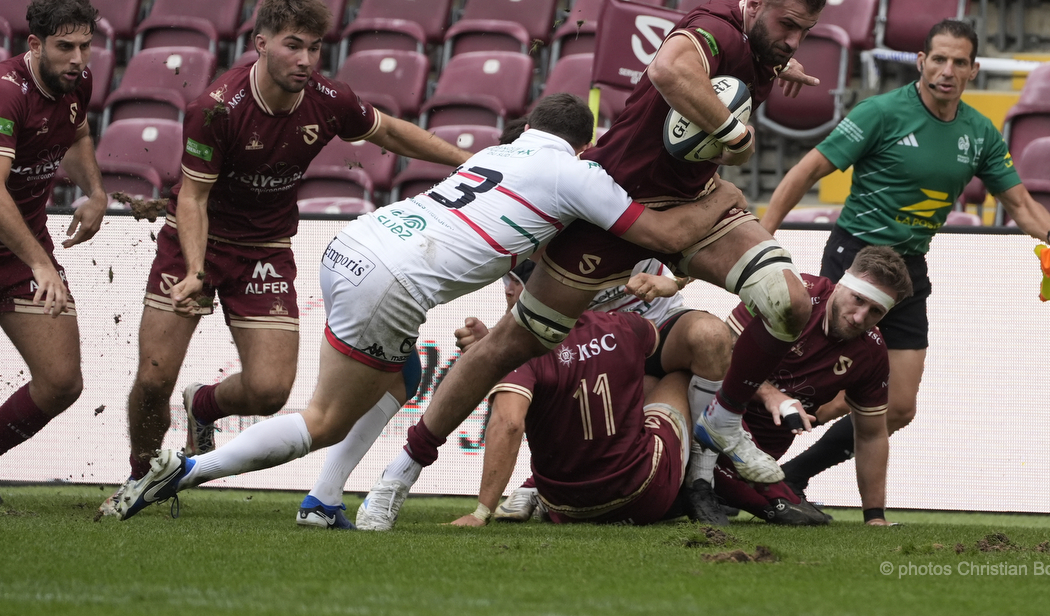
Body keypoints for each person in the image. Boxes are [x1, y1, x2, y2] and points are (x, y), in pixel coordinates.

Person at [115, 93, 746, 520]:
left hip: (354, 244)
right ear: (582, 146)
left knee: (403, 373)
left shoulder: (499, 153)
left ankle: (325, 500)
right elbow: (662, 238)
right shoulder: (576, 175)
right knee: (324, 419)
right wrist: (724, 200)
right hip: (392, 280)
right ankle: (182, 470)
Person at [360, 0, 829, 530]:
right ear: (753, 3)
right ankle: (402, 470)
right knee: (508, 346)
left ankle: (723, 422)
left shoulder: (758, 44)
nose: (793, 39)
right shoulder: (717, 27)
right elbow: (669, 71)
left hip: (694, 203)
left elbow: (754, 52)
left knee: (790, 302)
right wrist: (736, 135)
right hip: (612, 208)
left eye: (804, 31)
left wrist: (779, 54)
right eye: (787, 25)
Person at [102, 0, 473, 513]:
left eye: (315, 49)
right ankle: (142, 472)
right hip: (196, 241)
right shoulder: (216, 108)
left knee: (271, 392)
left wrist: (468, 161)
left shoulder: (329, 99)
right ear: (261, 44)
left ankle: (203, 405)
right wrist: (192, 270)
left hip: (265, 250)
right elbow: (193, 198)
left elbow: (388, 131)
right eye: (293, 46)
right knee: (153, 377)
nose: (305, 61)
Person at [758, 18, 1050, 501]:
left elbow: (1019, 203)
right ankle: (740, 466)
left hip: (908, 273)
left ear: (973, 70)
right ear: (922, 62)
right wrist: (763, 236)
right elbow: (808, 169)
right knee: (813, 385)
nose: (947, 70)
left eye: (959, 62)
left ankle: (791, 476)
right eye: (939, 59)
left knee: (900, 407)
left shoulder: (980, 132)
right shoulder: (880, 112)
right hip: (856, 261)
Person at [0, 0, 107, 506]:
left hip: (18, 253)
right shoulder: (2, 91)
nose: (79, 60)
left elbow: (78, 132)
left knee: (62, 382)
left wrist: (95, 191)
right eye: (66, 47)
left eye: (86, 46)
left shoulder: (76, 81)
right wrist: (42, 263)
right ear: (35, 43)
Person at [450, 260, 693, 527]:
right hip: (643, 499)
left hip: (565, 508)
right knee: (678, 377)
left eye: (517, 283)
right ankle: (701, 478)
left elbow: (508, 424)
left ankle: (532, 489)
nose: (508, 291)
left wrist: (481, 513)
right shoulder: (627, 325)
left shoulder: (518, 351)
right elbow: (652, 341)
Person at [713, 246, 911, 527]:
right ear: (842, 283)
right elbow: (718, 353)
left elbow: (871, 435)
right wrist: (773, 396)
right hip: (711, 423)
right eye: (858, 299)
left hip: (758, 460)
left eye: (875, 311)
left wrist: (875, 517)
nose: (859, 317)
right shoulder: (793, 294)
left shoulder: (871, 352)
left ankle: (734, 490)